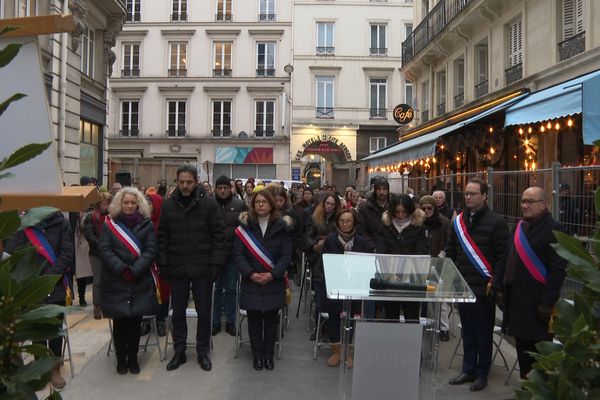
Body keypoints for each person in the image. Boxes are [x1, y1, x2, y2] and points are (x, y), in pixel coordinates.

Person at [158, 164, 226, 372]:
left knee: (203, 313)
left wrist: (215, 264)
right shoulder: (168, 206)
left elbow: (219, 236)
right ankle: (179, 352)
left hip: (202, 268)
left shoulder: (209, 205)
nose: (185, 186)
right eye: (181, 182)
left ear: (196, 182)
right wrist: (164, 263)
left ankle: (202, 351)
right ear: (176, 182)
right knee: (177, 313)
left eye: (189, 182)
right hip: (177, 268)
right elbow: (162, 237)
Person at [494, 187, 567, 379]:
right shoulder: (519, 227)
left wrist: (547, 302)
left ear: (543, 204)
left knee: (539, 358)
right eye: (523, 201)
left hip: (537, 306)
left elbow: (558, 269)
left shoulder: (555, 229)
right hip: (516, 303)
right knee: (523, 354)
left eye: (530, 202)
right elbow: (506, 258)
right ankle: (526, 390)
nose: (524, 205)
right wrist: (499, 285)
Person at [445, 178, 509, 391]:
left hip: (485, 288)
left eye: (473, 193)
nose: (468, 197)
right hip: (463, 286)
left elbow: (503, 257)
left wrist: (496, 281)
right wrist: (451, 277)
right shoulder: (459, 222)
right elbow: (451, 251)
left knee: (483, 333)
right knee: (468, 332)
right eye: (466, 193)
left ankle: (482, 373)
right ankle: (468, 369)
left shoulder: (497, 222)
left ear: (484, 196)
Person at [4, 210, 74, 389]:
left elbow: (67, 254)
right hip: (31, 286)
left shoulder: (62, 223)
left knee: (54, 329)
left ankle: (54, 368)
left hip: (55, 284)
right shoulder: (23, 225)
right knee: (36, 330)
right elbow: (11, 252)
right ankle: (40, 368)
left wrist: (48, 279)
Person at [98, 187, 157, 375]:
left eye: (133, 202)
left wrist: (135, 270)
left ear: (138, 204)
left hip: (139, 280)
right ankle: (121, 360)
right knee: (120, 324)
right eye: (126, 202)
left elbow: (150, 250)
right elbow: (105, 250)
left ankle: (133, 359)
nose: (130, 205)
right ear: (119, 204)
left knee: (134, 324)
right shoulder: (109, 224)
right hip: (116, 280)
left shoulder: (146, 224)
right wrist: (122, 269)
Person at [234, 190, 293, 371]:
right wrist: (250, 273)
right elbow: (238, 254)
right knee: (253, 321)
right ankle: (257, 356)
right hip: (251, 281)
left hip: (273, 282)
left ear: (271, 205)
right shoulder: (244, 227)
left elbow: (286, 255)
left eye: (264, 202)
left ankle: (268, 356)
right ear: (252, 205)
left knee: (270, 321)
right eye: (257, 202)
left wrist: (273, 274)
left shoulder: (282, 227)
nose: (260, 204)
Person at [321, 209, 375, 368]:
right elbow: (324, 263)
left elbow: (366, 264)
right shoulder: (330, 240)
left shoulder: (362, 242)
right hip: (335, 285)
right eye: (342, 221)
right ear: (337, 223)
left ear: (354, 223)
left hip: (355, 286)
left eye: (348, 221)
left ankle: (348, 351)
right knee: (334, 317)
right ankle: (336, 350)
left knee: (352, 317)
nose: (345, 224)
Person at [377, 194, 429, 321]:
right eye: (397, 212)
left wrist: (408, 274)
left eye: (404, 212)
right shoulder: (385, 226)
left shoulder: (419, 227)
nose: (400, 215)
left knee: (411, 316)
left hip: (411, 279)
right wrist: (388, 274)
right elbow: (381, 252)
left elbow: (421, 253)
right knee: (391, 316)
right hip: (390, 278)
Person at [305, 193, 343, 339]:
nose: (330, 207)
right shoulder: (316, 218)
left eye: (333, 204)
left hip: (333, 258)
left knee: (332, 298)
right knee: (319, 298)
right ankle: (319, 327)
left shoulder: (339, 219)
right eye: (328, 203)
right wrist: (314, 245)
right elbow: (308, 235)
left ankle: (330, 327)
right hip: (318, 259)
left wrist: (326, 241)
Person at [212, 175, 246, 336]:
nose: (223, 190)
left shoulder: (239, 204)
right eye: (220, 188)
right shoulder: (210, 204)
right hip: (214, 255)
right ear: (216, 189)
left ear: (230, 188)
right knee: (216, 290)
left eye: (226, 187)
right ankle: (215, 321)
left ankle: (231, 321)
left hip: (233, 255)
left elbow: (244, 229)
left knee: (232, 289)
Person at [419, 195, 452, 341]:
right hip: (421, 263)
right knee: (420, 296)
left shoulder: (444, 222)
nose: (426, 211)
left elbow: (450, 241)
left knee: (440, 298)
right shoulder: (418, 221)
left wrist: (442, 254)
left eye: (429, 208)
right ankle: (422, 324)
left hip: (438, 263)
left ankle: (444, 328)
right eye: (423, 208)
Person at [84, 192, 113, 319]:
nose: (106, 206)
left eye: (108, 204)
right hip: (96, 253)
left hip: (110, 253)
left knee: (109, 279)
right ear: (98, 204)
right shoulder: (91, 217)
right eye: (104, 204)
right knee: (98, 280)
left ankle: (108, 304)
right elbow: (89, 235)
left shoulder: (112, 217)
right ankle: (97, 306)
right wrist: (102, 245)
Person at [357, 176, 390, 249]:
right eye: (379, 189)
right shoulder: (365, 208)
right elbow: (361, 230)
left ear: (388, 191)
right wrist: (372, 247)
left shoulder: (393, 207)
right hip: (371, 248)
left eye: (384, 189)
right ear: (375, 190)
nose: (382, 192)